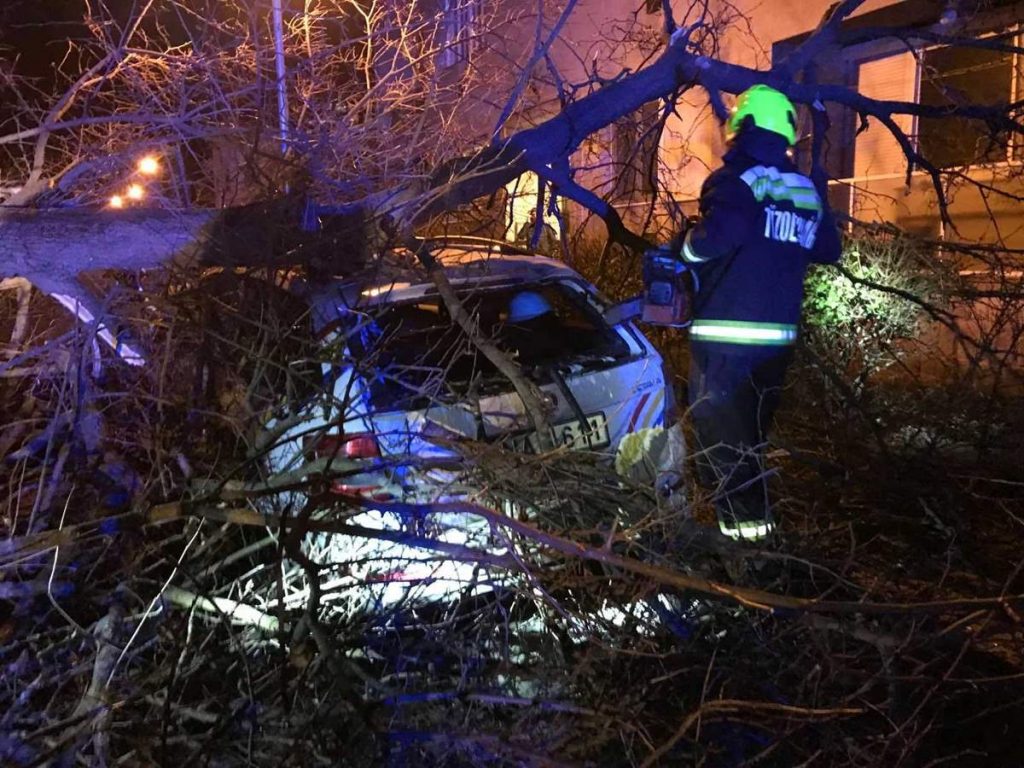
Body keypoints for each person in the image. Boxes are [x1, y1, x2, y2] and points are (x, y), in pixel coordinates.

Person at [674, 85, 842, 542]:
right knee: (750, 442)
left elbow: (719, 236)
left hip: (727, 341)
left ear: (741, 125)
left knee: (724, 448)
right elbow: (828, 249)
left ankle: (747, 552)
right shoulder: (803, 189)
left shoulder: (736, 179)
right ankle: (758, 535)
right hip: (777, 344)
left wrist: (683, 248)